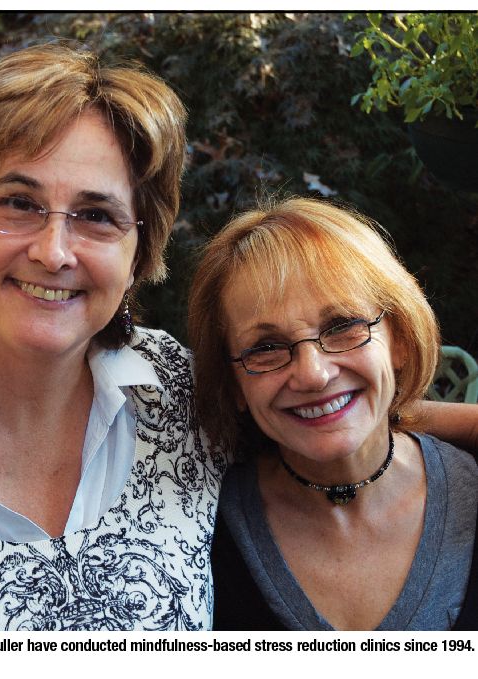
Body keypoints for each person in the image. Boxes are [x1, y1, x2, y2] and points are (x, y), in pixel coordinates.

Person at [0, 44, 226, 631]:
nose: (53, 254)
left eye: (96, 215)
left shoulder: (183, 396)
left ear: (138, 253)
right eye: (19, 204)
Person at [188, 197, 478, 630]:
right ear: (234, 386)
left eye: (342, 326)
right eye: (266, 348)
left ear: (399, 339)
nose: (314, 374)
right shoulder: (198, 529)